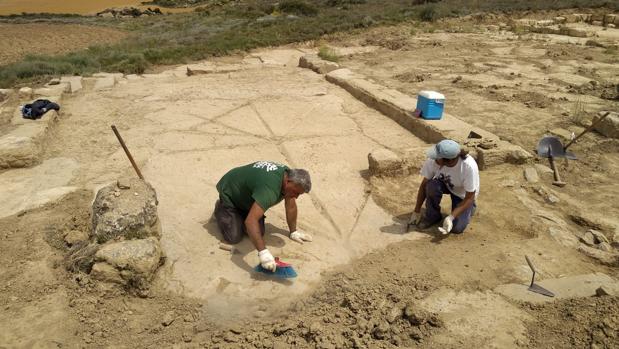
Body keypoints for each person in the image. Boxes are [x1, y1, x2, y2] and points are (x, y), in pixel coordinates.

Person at [215, 161, 313, 271]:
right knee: (234, 236)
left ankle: (243, 212)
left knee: (258, 233)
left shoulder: (288, 177)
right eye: (296, 192)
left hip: (248, 195)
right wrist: (263, 253)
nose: (296, 196)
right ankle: (221, 207)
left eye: (299, 194)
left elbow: (290, 206)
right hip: (230, 191)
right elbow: (250, 221)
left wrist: (293, 232)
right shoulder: (269, 189)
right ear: (287, 181)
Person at [409, 139, 479, 234]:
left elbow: (469, 197)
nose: (434, 158)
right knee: (431, 186)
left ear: (449, 161)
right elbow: (424, 185)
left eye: (437, 157)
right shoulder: (434, 161)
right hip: (446, 184)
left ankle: (470, 208)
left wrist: (451, 217)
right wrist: (416, 211)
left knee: (456, 228)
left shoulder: (468, 167)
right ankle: (433, 216)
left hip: (463, 195)